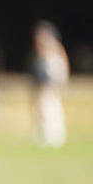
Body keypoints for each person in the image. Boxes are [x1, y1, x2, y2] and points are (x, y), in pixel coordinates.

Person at [30, 19, 69, 148]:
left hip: (52, 86)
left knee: (52, 110)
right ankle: (45, 135)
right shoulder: (42, 52)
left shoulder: (55, 50)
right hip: (44, 87)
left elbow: (61, 70)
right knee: (42, 111)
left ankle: (55, 137)